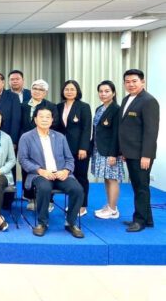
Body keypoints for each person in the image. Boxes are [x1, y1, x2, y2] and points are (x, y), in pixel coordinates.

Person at [18, 107, 85, 238]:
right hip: (39, 174)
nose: (44, 119)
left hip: (60, 173)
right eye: (41, 116)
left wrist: (66, 170)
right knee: (44, 188)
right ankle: (42, 223)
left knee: (77, 189)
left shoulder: (60, 137)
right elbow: (23, 160)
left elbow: (70, 159)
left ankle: (71, 222)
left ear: (52, 120)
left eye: (48, 117)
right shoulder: (26, 137)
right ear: (35, 119)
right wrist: (40, 170)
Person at [119, 69, 160, 233]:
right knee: (137, 186)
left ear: (142, 82)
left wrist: (146, 155)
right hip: (130, 152)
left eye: (134, 81)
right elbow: (126, 128)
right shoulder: (126, 99)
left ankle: (139, 221)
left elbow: (151, 131)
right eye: (127, 82)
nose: (131, 84)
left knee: (141, 187)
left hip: (141, 154)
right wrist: (124, 151)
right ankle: (147, 219)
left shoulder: (149, 101)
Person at [56, 80, 92, 217]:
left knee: (80, 177)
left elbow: (87, 128)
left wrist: (83, 147)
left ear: (77, 91)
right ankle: (72, 203)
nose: (69, 92)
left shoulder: (84, 107)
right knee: (68, 177)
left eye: (72, 89)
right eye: (67, 89)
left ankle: (82, 206)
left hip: (79, 149)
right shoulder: (59, 106)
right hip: (62, 148)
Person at [19, 79, 59, 205]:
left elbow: (55, 123)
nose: (37, 91)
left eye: (41, 89)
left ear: (45, 92)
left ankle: (48, 199)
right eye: (35, 88)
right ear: (31, 90)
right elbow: (19, 123)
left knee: (47, 168)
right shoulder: (23, 105)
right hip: (26, 141)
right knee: (27, 168)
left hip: (44, 141)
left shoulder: (51, 106)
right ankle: (30, 197)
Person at [91, 80, 124, 219]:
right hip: (99, 149)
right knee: (107, 178)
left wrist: (113, 154)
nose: (103, 94)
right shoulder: (100, 108)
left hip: (110, 151)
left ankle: (113, 209)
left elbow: (117, 133)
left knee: (112, 179)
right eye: (101, 91)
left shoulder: (116, 109)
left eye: (107, 91)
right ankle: (110, 205)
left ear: (113, 93)